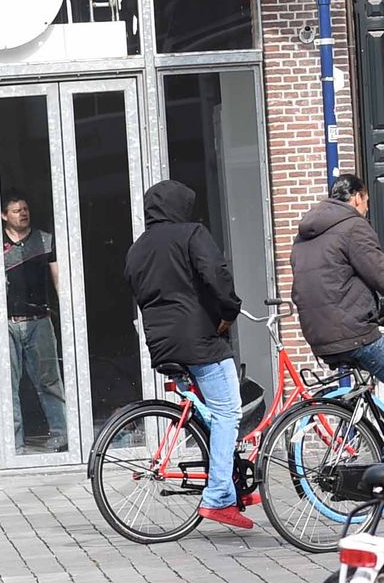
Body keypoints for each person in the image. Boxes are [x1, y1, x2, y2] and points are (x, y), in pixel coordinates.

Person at [124, 180, 248, 528]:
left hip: (161, 344)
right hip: (199, 341)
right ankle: (219, 496)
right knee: (228, 412)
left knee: (209, 413)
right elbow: (216, 274)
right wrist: (229, 311)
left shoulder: (137, 249)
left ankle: (228, 476)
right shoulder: (191, 234)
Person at [291, 173, 384, 463]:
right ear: (356, 197)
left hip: (320, 334)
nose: (367, 210)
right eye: (366, 202)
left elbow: (334, 287)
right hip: (354, 335)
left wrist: (380, 310)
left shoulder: (304, 235)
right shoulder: (353, 226)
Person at [1, 191, 68, 455]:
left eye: (25, 208)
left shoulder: (45, 240)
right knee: (8, 385)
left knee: (49, 381)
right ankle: (14, 445)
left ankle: (62, 436)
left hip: (39, 321)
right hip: (6, 323)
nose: (23, 213)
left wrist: (66, 310)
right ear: (4, 215)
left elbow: (58, 278)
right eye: (16, 210)